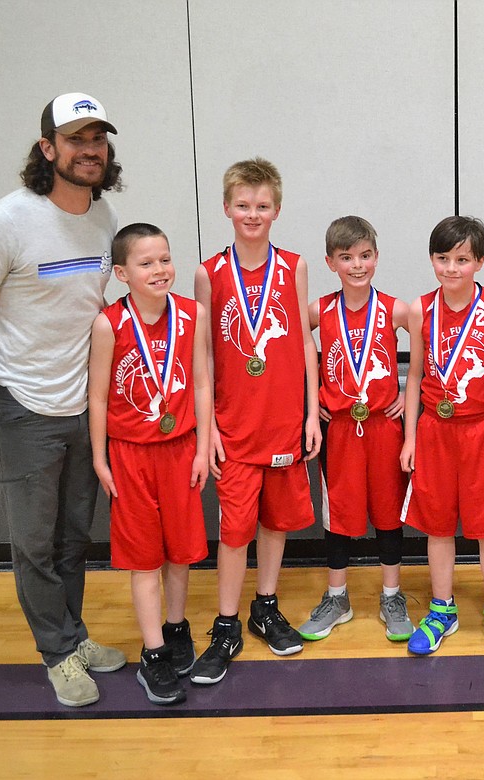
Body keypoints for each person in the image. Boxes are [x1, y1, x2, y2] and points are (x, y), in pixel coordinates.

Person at [0, 92, 127, 707]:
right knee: (33, 544)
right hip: (22, 407)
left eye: (97, 138)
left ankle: (72, 635)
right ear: (48, 149)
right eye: (75, 139)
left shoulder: (102, 218)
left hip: (82, 410)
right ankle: (57, 654)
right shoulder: (5, 222)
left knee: (74, 539)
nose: (89, 150)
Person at [189, 158, 322, 685]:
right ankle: (226, 625)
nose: (252, 213)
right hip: (235, 424)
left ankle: (264, 607)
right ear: (226, 208)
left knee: (276, 523)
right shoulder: (209, 272)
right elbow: (202, 357)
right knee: (235, 531)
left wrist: (312, 413)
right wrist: (210, 427)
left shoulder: (294, 266)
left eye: (262, 206)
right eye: (243, 205)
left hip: (285, 419)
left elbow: (307, 346)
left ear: (277, 210)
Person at [88, 223, 212, 705]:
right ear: (121, 273)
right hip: (130, 455)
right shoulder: (109, 324)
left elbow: (201, 384)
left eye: (165, 259)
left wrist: (202, 447)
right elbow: (97, 396)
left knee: (181, 552)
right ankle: (154, 654)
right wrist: (100, 458)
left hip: (180, 449)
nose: (160, 270)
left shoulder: (191, 314)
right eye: (146, 263)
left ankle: (176, 628)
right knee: (144, 558)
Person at [399, 216, 484, 658]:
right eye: (443, 259)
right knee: (438, 525)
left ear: (479, 262)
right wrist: (410, 437)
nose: (451, 268)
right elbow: (414, 376)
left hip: (481, 431)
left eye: (462, 259)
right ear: (432, 260)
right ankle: (441, 609)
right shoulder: (420, 309)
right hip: (434, 430)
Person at [299, 216, 414, 643]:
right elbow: (288, 348)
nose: (357, 265)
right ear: (331, 262)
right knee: (338, 515)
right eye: (346, 257)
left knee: (388, 511)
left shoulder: (396, 309)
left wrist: (412, 393)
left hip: (385, 426)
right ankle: (337, 597)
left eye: (365, 256)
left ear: (377, 258)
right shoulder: (318, 310)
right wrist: (310, 403)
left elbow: (434, 338)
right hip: (340, 429)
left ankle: (391, 595)